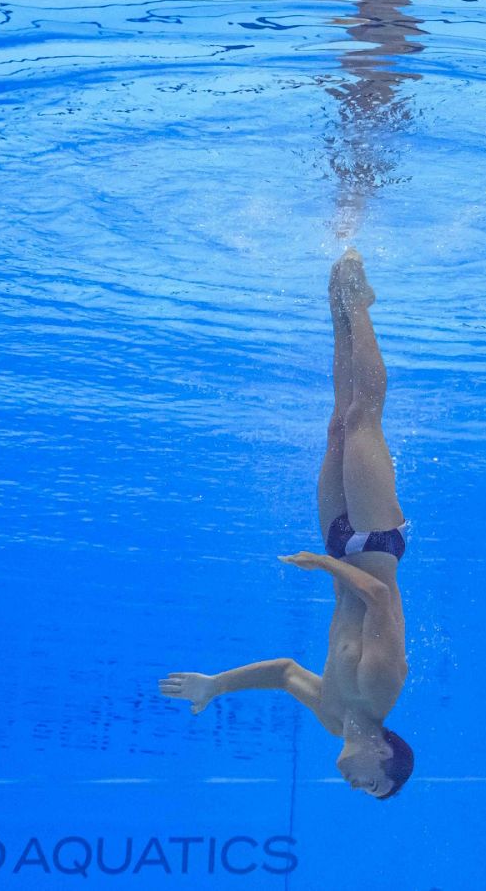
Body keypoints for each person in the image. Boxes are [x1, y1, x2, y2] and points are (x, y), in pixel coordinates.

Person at [159, 248, 414, 799]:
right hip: (372, 543)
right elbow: (380, 600)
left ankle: (338, 306)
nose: (355, 785)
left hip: (339, 545)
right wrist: (324, 563)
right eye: (372, 785)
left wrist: (216, 685)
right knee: (362, 415)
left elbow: (283, 672)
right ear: (384, 754)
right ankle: (361, 304)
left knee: (336, 428)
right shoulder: (380, 689)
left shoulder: (331, 716)